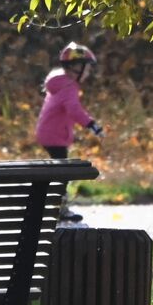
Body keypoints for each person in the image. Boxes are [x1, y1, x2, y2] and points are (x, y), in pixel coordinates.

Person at [36, 42, 104, 223]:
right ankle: (59, 209)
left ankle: (57, 206)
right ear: (76, 67)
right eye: (87, 68)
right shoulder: (69, 87)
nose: (88, 73)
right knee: (63, 173)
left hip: (50, 133)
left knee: (60, 171)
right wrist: (91, 124)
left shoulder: (60, 82)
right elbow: (74, 110)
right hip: (55, 136)